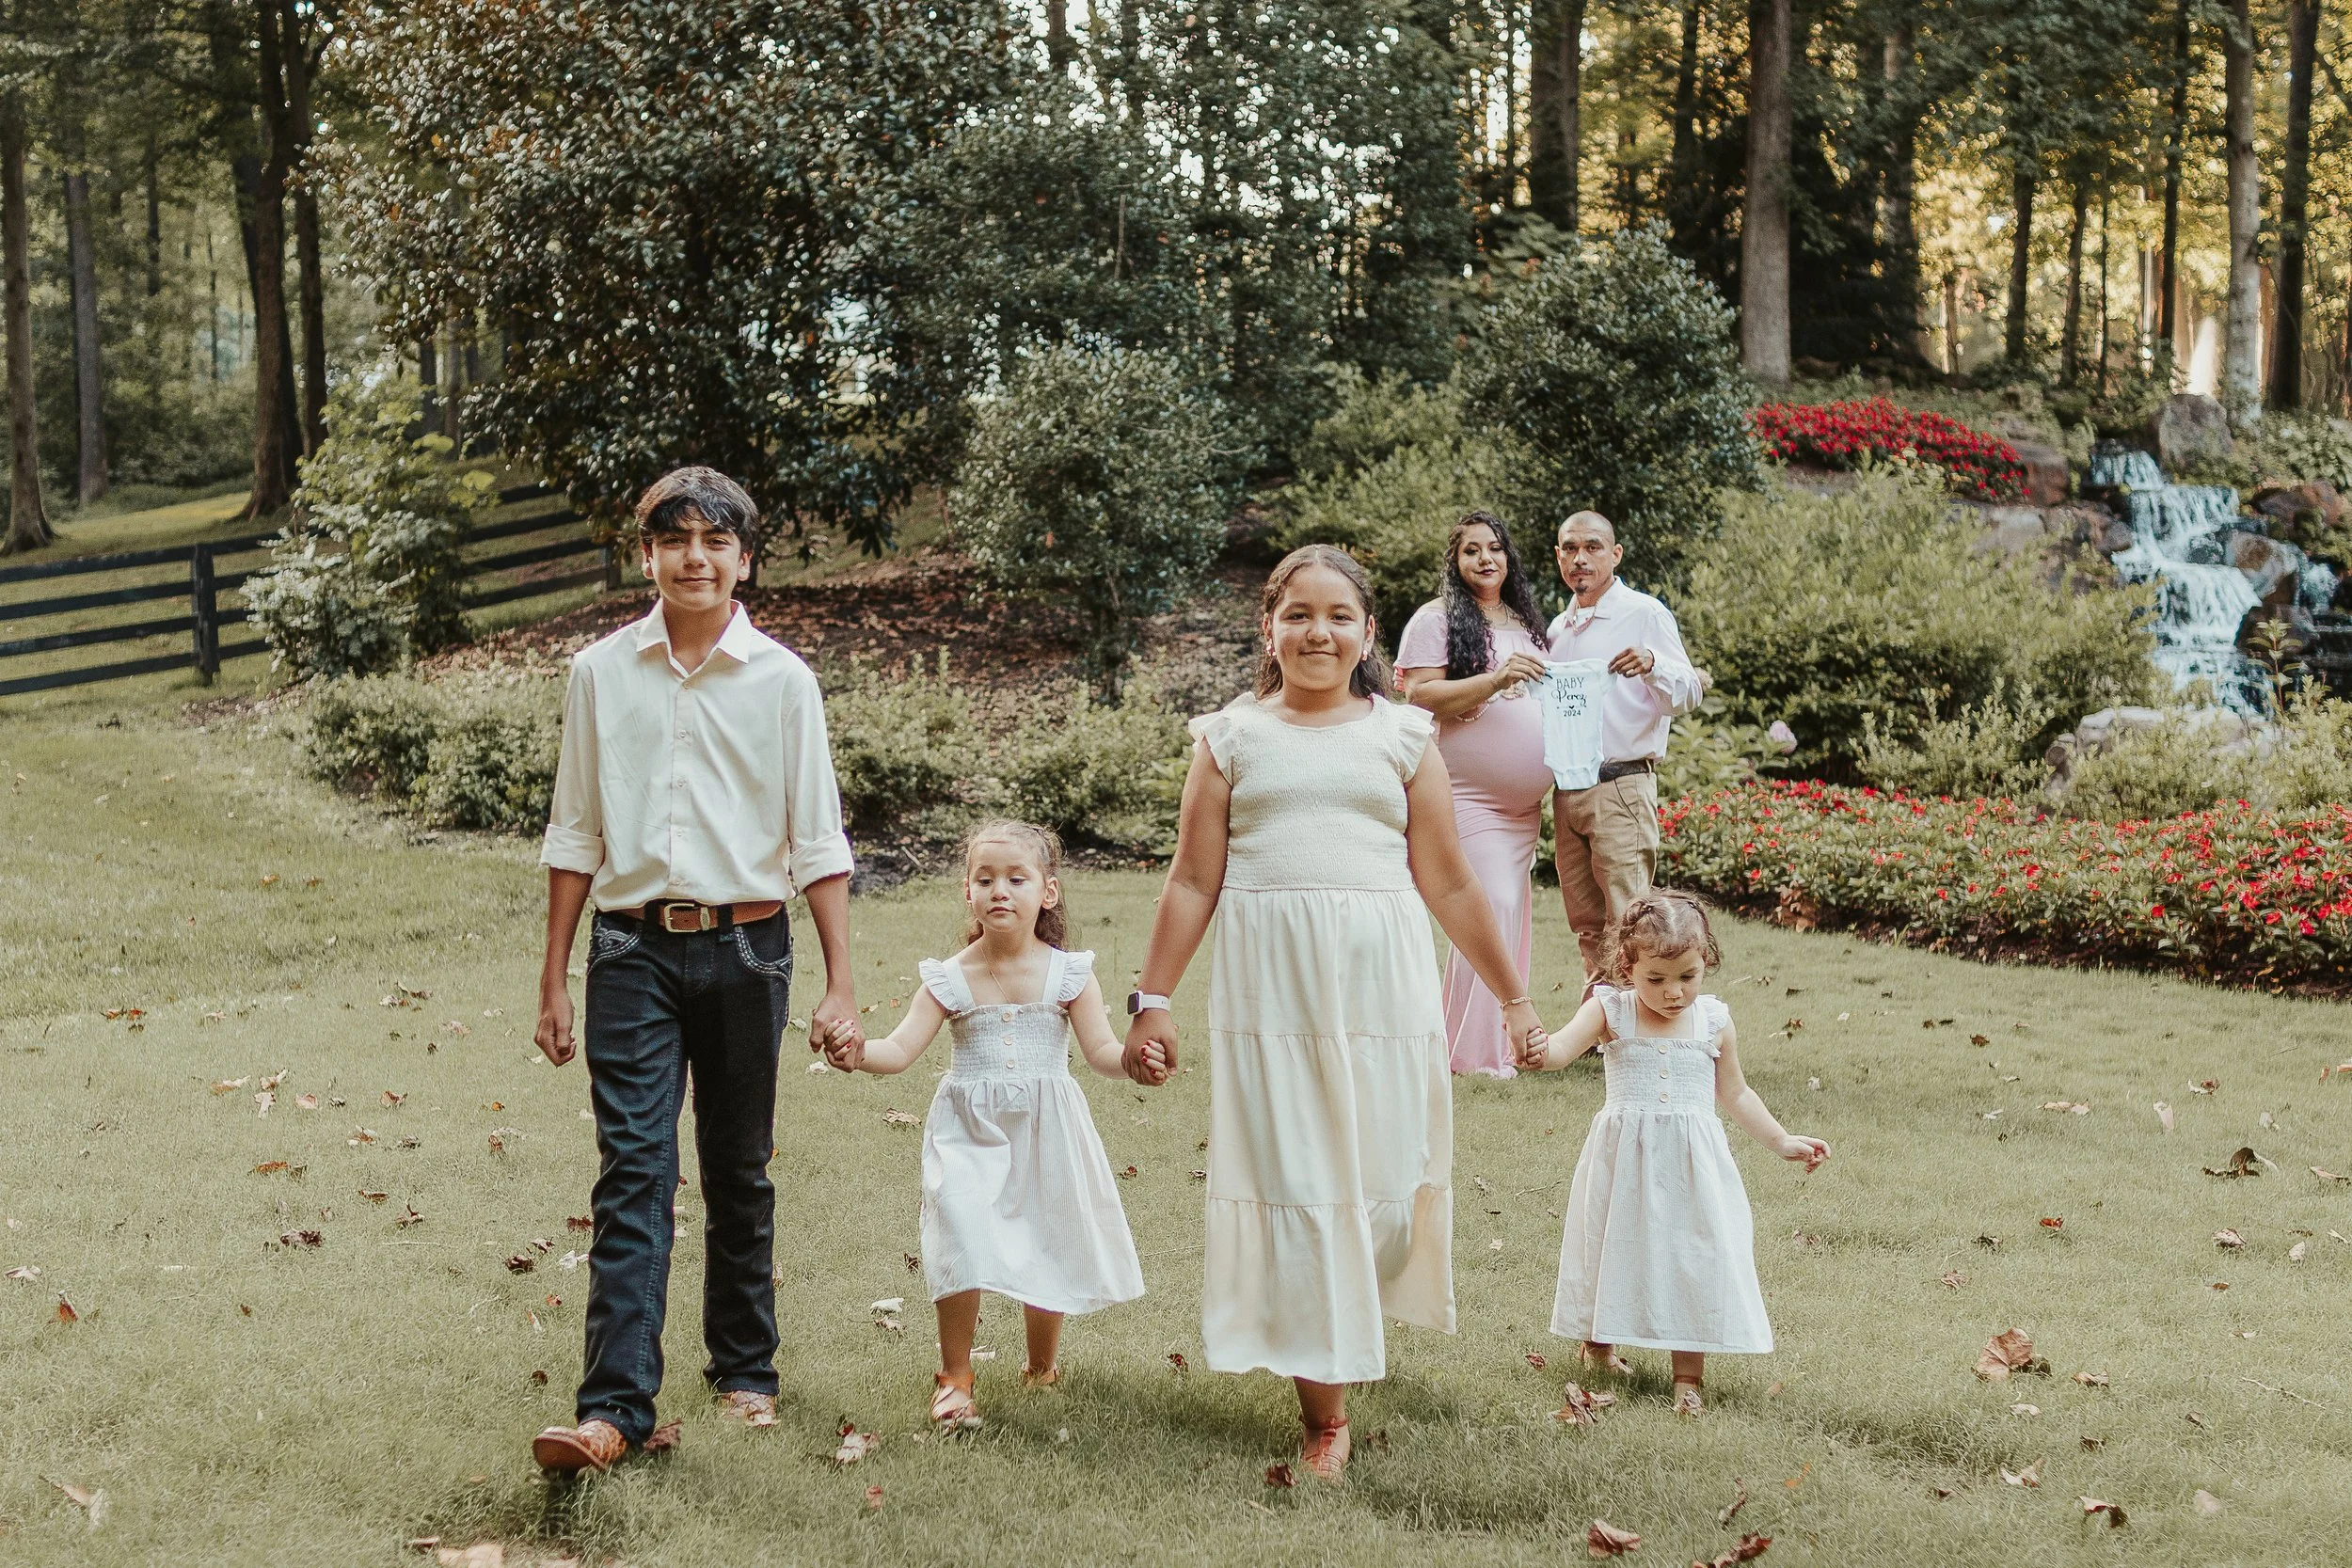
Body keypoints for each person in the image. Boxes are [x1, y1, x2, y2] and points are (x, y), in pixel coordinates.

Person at [1120, 544, 1549, 1482]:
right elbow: (1191, 880)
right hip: (1271, 998)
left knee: (1383, 1190)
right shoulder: (1230, 738)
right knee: (1305, 1187)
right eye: (1299, 614)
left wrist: (1513, 999)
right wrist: (1152, 1000)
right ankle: (1326, 1412)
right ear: (1268, 629)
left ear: (1367, 633)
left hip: (1384, 996)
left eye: (1339, 615)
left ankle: (1344, 1321)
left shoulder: (1404, 736)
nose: (1318, 632)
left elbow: (1449, 879)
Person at [529, 467, 861, 1473]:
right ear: (647, 556)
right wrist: (554, 976)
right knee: (635, 1168)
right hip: (630, 949)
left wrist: (841, 982)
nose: (695, 558)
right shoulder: (599, 673)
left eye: (715, 541)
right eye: (674, 539)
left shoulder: (784, 681)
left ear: (743, 560)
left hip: (750, 947)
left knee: (737, 1166)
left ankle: (745, 1368)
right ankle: (611, 1410)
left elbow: (819, 841)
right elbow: (575, 830)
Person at [821, 820, 1145, 1429]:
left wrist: (1132, 1060)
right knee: (960, 1235)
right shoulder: (950, 977)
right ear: (967, 892)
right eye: (985, 879)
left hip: (1047, 1130)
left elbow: (1102, 1051)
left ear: (1047, 892)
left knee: (1045, 1235)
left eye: (1017, 879)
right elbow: (899, 1049)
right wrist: (858, 1052)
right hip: (968, 1131)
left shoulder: (1068, 973)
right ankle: (955, 1377)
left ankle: (1041, 1365)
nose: (1000, 890)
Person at [1516, 892, 1829, 1416]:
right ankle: (1599, 1348)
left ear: (1706, 962)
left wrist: (1782, 1141)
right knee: (1614, 1246)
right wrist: (1537, 1051)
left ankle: (1688, 1378)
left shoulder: (1713, 1021)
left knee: (1693, 1259)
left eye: (1688, 976)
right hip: (1623, 1161)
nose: (1674, 992)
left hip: (1691, 1168)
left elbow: (1736, 1093)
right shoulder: (1610, 1009)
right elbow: (1563, 1050)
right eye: (1655, 979)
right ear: (1627, 967)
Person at [1395, 512, 1557, 1079]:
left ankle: (1485, 1043)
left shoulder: (1525, 621)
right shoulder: (1435, 619)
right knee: (1491, 905)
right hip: (1466, 794)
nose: (1485, 559)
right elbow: (1419, 693)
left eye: (1495, 548)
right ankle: (1476, 1055)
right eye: (1471, 550)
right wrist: (1495, 680)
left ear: (1509, 556)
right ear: (1455, 560)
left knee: (1507, 912)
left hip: (1522, 807)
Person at [1547, 511, 1706, 987]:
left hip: (1621, 785)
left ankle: (1644, 1020)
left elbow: (1689, 693)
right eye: (1570, 548)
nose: (1580, 558)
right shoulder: (1556, 631)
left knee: (1630, 922)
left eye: (1592, 547)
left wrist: (1653, 663)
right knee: (1587, 927)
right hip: (1567, 792)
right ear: (1558, 557)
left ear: (1615, 554)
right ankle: (1601, 1018)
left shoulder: (1644, 614)